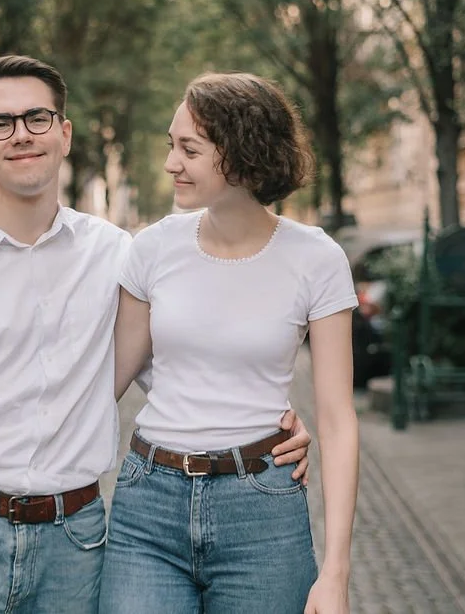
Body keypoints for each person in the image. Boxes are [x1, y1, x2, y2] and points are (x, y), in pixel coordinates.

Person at [0, 55, 313, 614]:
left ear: (64, 134)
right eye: (2, 123)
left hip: (78, 544)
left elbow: (177, 367)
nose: (21, 135)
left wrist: (265, 424)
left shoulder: (118, 255)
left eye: (37, 118)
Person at [100, 72, 360, 614]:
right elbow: (102, 382)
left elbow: (338, 419)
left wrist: (334, 574)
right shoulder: (152, 248)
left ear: (243, 155)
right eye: (171, 145)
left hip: (263, 511)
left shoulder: (317, 259)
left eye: (189, 149)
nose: (172, 162)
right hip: (149, 504)